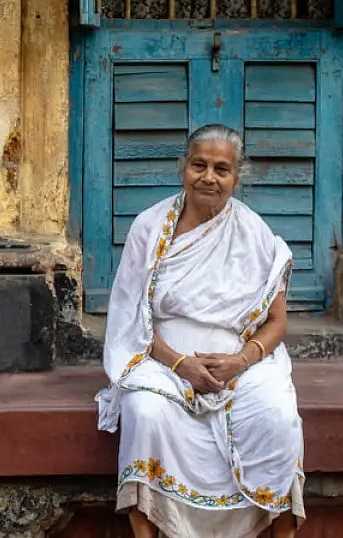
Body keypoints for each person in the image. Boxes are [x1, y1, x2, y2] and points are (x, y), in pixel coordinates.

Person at [96, 124, 305, 538]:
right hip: (161, 360)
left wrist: (240, 361)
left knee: (279, 418)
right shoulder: (149, 227)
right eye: (199, 165)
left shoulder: (255, 234)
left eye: (221, 169)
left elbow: (276, 322)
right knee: (145, 413)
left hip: (240, 365)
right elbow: (129, 318)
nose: (209, 177)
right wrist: (180, 364)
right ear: (183, 169)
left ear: (236, 178)